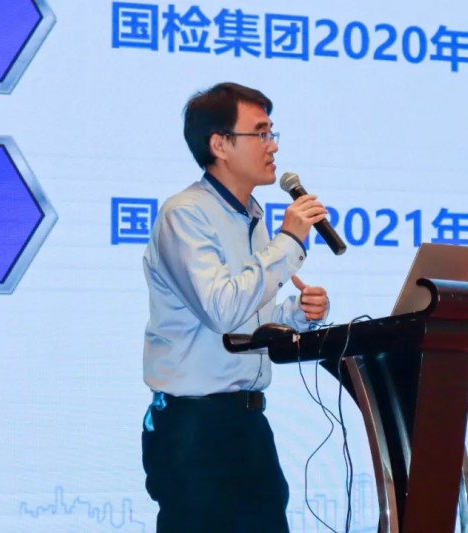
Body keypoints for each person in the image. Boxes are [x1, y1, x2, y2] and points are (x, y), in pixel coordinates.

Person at [141, 82, 330, 532]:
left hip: (247, 423)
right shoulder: (185, 215)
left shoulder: (252, 217)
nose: (273, 145)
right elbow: (221, 310)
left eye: (271, 133)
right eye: (260, 133)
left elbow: (246, 319)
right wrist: (289, 241)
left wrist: (295, 313)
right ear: (220, 144)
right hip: (194, 427)